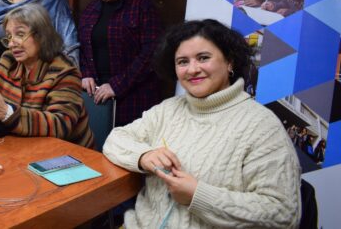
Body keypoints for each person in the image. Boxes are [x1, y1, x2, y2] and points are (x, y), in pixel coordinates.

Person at [103, 19, 300, 228]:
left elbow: (283, 214)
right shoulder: (168, 109)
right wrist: (144, 156)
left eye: (203, 58)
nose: (192, 69)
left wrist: (198, 195)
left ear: (230, 61)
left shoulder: (262, 126)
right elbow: (116, 139)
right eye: (182, 62)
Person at [0, 3, 94, 148]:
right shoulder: (9, 60)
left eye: (20, 34)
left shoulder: (64, 72)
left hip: (67, 154)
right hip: (21, 147)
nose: (11, 44)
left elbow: (61, 124)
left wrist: (6, 113)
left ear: (42, 36)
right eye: (9, 36)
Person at [78, 0, 163, 127]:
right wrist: (85, 74)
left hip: (134, 96)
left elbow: (152, 52)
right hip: (96, 97)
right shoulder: (90, 10)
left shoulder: (142, 7)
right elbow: (81, 48)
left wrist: (116, 85)